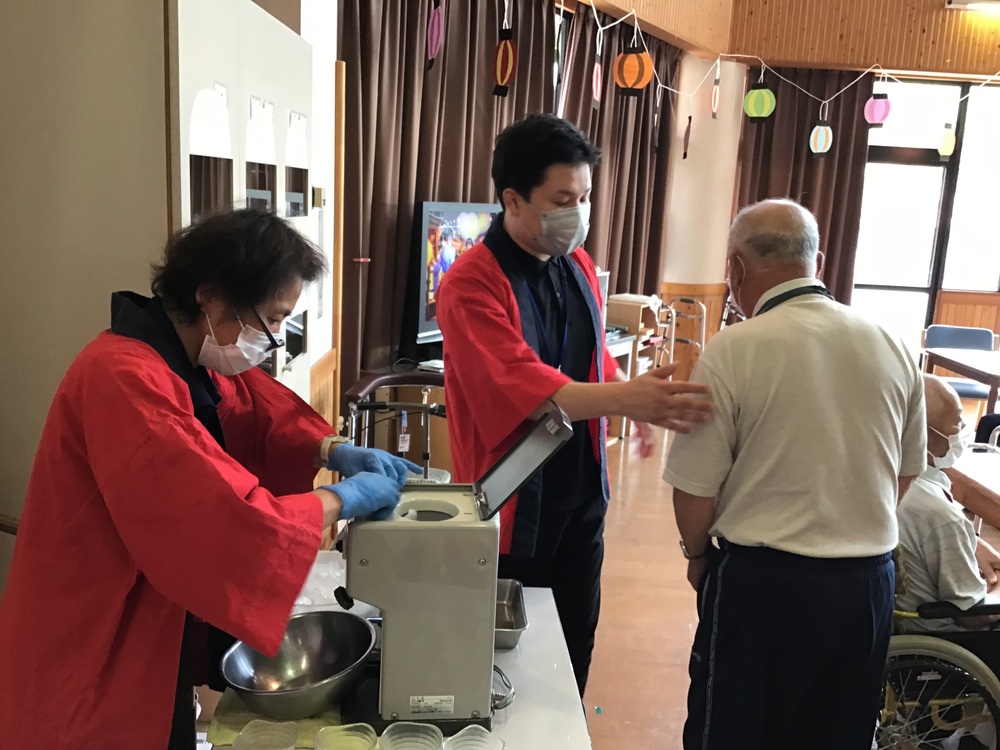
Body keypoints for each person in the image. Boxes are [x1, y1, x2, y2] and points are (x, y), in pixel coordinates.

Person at [0, 209, 418, 749]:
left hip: (153, 604)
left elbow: (252, 415)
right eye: (271, 318)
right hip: (99, 614)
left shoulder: (182, 358)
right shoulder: (122, 374)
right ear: (212, 298)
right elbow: (220, 512)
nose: (274, 339)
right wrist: (342, 499)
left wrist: (334, 448)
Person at [437, 114, 714, 697]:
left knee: (574, 643)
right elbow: (524, 385)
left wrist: (628, 403)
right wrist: (627, 398)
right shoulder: (470, 284)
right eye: (563, 199)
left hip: (582, 492)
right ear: (513, 199)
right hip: (512, 504)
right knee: (506, 662)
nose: (578, 211)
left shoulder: (577, 264)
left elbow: (588, 360)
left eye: (585, 197)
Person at [663, 199, 927, 749]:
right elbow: (903, 476)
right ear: (818, 261)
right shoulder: (893, 345)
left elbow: (694, 490)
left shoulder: (732, 350)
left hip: (763, 587)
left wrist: (697, 557)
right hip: (867, 584)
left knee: (732, 734)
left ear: (735, 269)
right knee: (838, 734)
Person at [896, 374, 1000, 632]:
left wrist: (972, 543)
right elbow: (973, 617)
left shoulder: (890, 483)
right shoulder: (940, 515)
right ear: (923, 434)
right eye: (956, 422)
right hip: (946, 641)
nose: (963, 429)